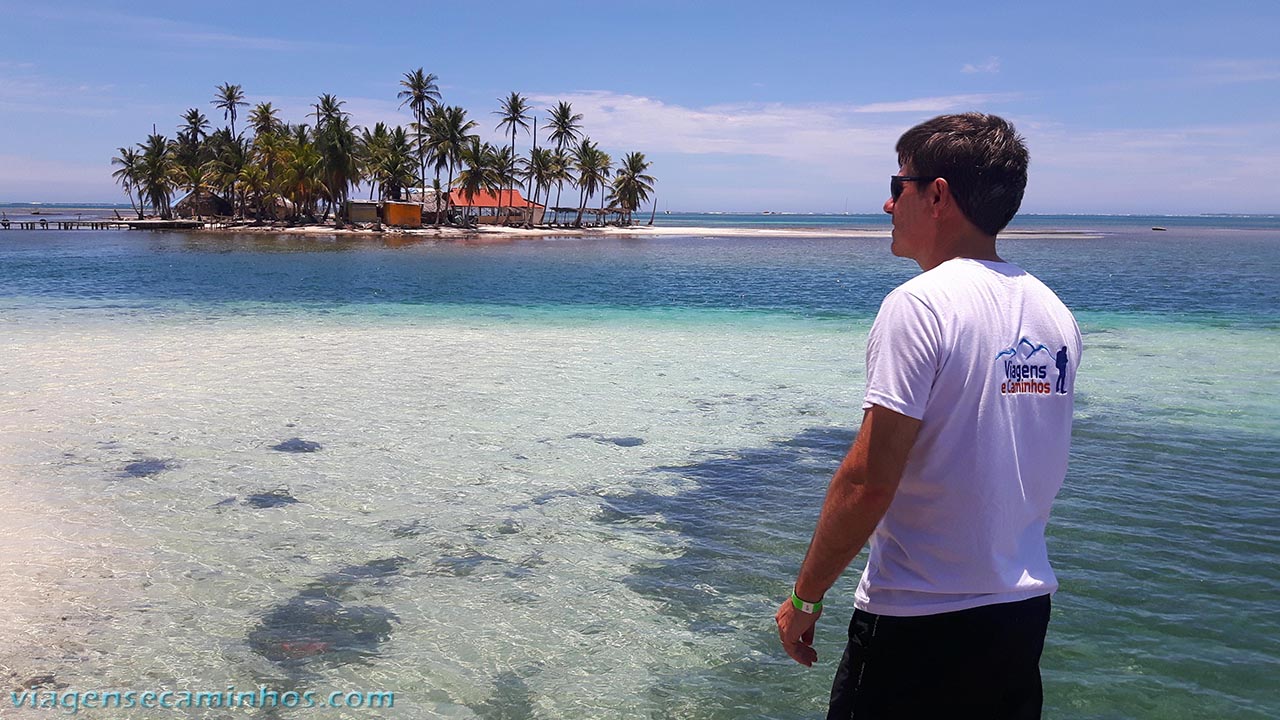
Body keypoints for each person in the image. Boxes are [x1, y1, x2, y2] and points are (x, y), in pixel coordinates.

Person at [774, 113, 1081, 719]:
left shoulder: (919, 305)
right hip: (1020, 618)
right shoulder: (1055, 314)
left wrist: (804, 598)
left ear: (936, 194)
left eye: (898, 185)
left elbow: (869, 480)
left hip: (917, 623)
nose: (887, 204)